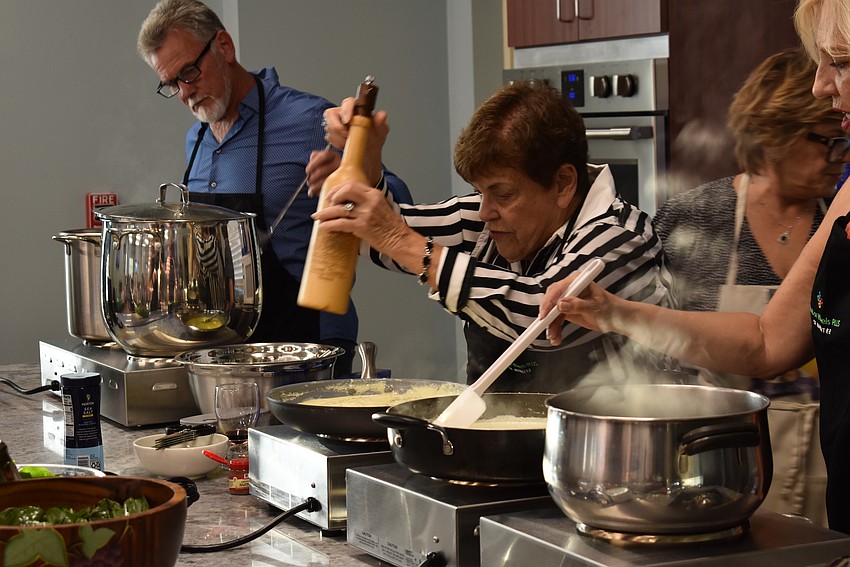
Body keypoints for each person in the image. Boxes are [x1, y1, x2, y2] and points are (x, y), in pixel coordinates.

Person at [541, 0, 850, 533]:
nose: (822, 84)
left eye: (841, 61)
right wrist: (613, 311)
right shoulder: (846, 204)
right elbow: (765, 341)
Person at [306, 80, 674, 393]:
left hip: (609, 455)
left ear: (563, 183)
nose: (485, 211)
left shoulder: (619, 237)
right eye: (481, 192)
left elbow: (540, 319)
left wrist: (401, 240)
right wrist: (366, 162)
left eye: (503, 193)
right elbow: (376, 236)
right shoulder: (487, 220)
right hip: (503, 448)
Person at [137, 0, 412, 376]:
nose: (185, 92)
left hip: (309, 345)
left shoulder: (308, 120)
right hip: (227, 350)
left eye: (189, 72)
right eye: (171, 83)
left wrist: (355, 177)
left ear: (224, 47)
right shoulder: (196, 141)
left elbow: (405, 211)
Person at [653, 47, 844, 526]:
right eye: (825, 140)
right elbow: (658, 374)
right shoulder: (697, 218)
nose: (837, 157)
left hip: (825, 490)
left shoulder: (838, 224)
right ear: (775, 133)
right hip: (719, 480)